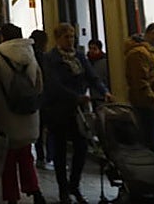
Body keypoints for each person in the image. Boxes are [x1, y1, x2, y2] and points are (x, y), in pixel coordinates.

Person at [41, 23, 111, 204]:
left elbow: (92, 76)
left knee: (81, 148)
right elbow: (54, 85)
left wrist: (104, 91)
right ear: (58, 39)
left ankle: (75, 185)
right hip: (58, 111)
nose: (71, 40)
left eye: (72, 36)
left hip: (79, 112)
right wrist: (76, 97)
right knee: (60, 151)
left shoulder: (79, 56)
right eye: (67, 37)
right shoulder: (50, 59)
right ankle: (63, 190)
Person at [0, 23, 46, 204]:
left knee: (9, 157)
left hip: (7, 112)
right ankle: (35, 190)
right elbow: (39, 84)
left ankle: (12, 196)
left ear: (3, 37)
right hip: (28, 113)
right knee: (25, 154)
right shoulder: (31, 54)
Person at [123, 22, 154, 155]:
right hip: (147, 106)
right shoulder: (139, 54)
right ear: (152, 32)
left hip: (152, 104)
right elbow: (141, 83)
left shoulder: (149, 53)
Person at [29, 29, 50, 167]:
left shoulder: (29, 56)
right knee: (48, 128)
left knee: (38, 126)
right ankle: (46, 156)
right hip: (45, 96)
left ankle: (40, 156)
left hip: (34, 97)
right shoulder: (44, 57)